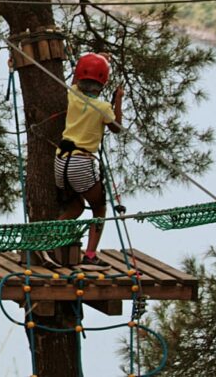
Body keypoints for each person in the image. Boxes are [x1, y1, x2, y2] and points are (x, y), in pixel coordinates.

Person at [52, 53, 123, 270]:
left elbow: (75, 79)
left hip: (61, 161)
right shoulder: (103, 108)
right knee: (99, 208)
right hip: (81, 162)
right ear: (102, 83)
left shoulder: (73, 94)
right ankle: (90, 255)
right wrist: (118, 98)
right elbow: (117, 127)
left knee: (76, 207)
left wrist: (94, 60)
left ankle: (47, 241)